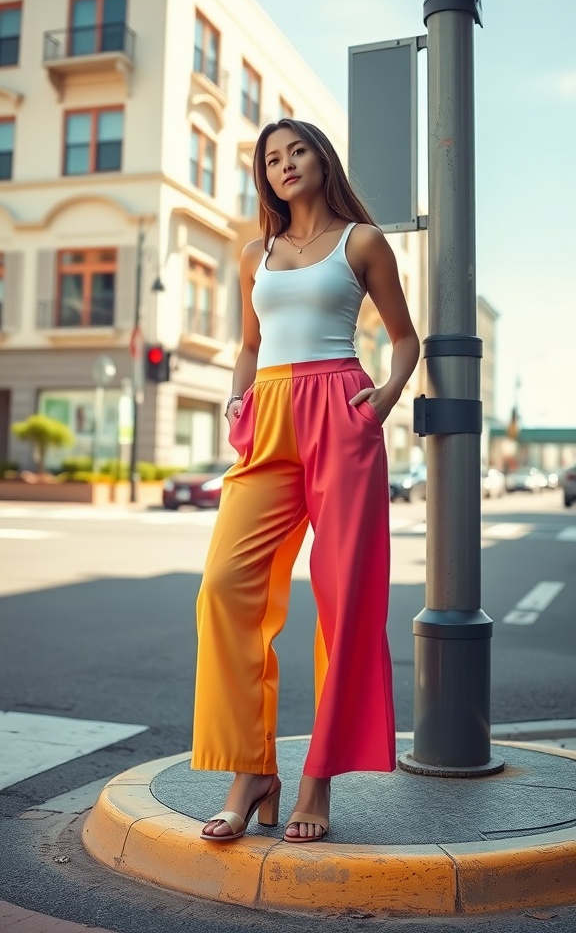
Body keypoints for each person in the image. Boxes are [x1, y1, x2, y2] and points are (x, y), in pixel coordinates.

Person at [192, 118, 420, 844]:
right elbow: (249, 343)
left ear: (323, 160)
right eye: (271, 158)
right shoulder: (253, 252)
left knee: (343, 597)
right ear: (264, 176)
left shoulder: (362, 241)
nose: (285, 165)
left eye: (297, 151)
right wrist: (237, 394)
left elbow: (404, 335)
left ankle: (318, 778)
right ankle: (251, 767)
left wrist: (385, 396)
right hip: (269, 413)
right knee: (225, 585)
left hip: (340, 409)